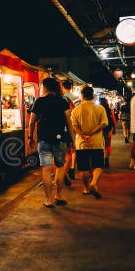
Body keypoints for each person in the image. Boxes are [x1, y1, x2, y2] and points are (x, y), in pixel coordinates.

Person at [28, 77, 75, 208]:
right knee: (60, 167)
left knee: (46, 169)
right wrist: (73, 140)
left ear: (45, 87)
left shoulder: (39, 101)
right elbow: (69, 123)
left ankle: (48, 200)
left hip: (43, 139)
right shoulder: (62, 102)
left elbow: (32, 121)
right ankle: (58, 196)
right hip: (60, 140)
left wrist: (30, 137)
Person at [71, 87, 108, 198]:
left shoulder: (76, 110)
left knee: (83, 168)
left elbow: (74, 126)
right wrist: (92, 133)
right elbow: (104, 123)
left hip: (81, 144)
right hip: (96, 142)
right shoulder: (100, 108)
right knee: (98, 165)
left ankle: (86, 188)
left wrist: (83, 135)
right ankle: (94, 183)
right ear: (93, 95)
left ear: (82, 96)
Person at [61, 79, 78, 183]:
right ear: (71, 87)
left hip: (64, 128)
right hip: (74, 127)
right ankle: (72, 168)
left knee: (66, 152)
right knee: (74, 150)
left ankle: (64, 172)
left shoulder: (62, 98)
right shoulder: (76, 98)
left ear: (62, 87)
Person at [99, 97, 117, 168]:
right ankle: (106, 161)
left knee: (100, 145)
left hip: (100, 130)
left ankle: (100, 161)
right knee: (108, 145)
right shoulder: (109, 110)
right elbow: (113, 120)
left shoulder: (98, 110)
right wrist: (114, 129)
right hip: (108, 129)